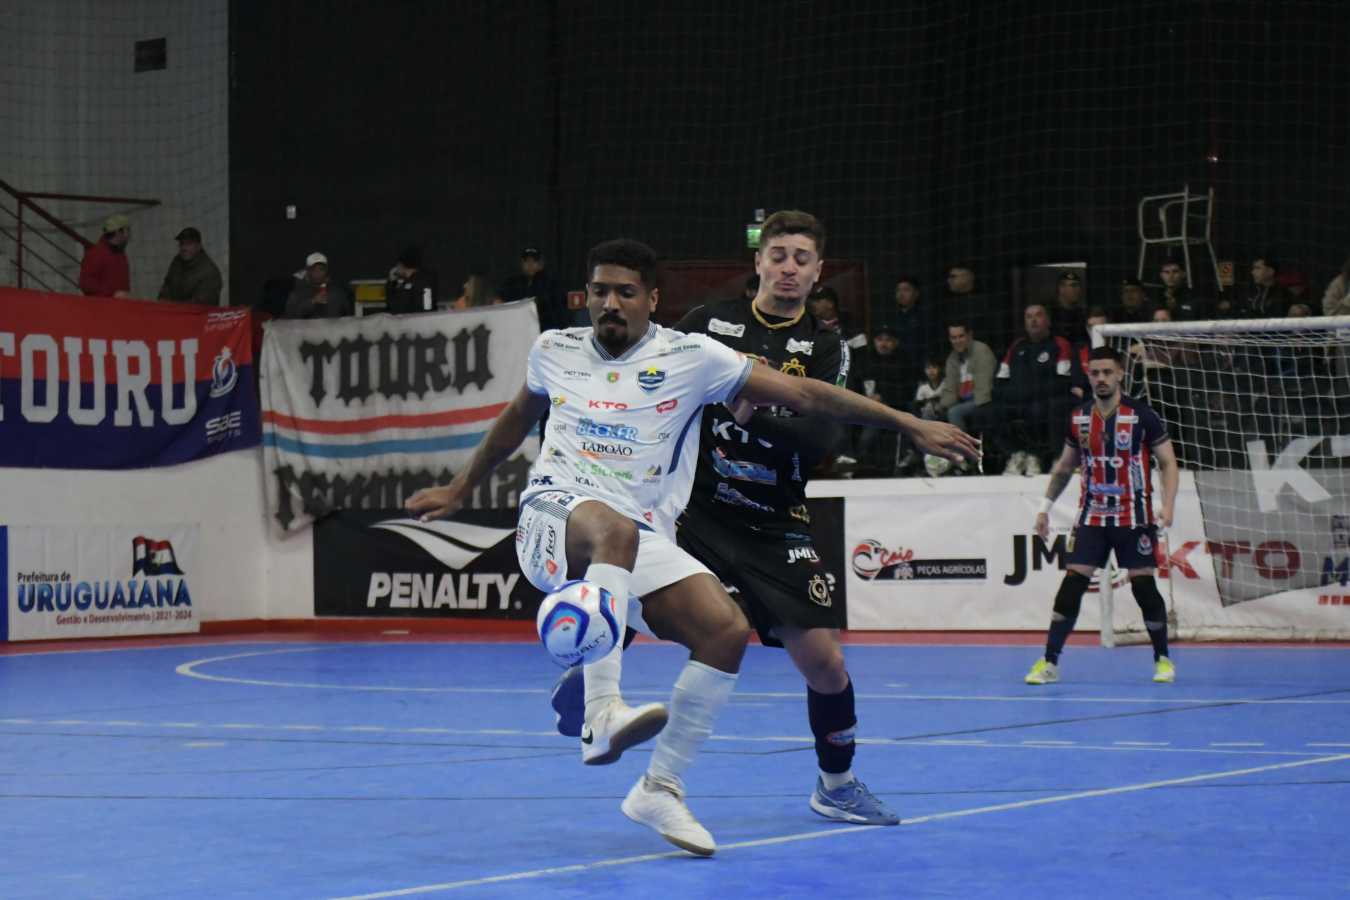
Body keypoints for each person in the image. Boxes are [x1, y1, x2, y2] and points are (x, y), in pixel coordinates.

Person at [406, 237, 977, 855]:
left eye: (626, 292)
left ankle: (659, 787)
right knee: (615, 532)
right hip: (552, 515)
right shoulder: (554, 349)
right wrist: (460, 489)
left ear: (653, 300)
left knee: (725, 630)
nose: (610, 303)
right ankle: (601, 710)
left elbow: (809, 396)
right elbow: (518, 417)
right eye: (600, 291)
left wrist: (909, 423)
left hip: (646, 534)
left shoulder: (693, 357)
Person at [1024, 345, 1180, 686]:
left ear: (1120, 374)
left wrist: (1168, 505)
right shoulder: (1078, 417)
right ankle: (1049, 661)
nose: (1101, 379)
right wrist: (1044, 509)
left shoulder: (1142, 415)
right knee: (1072, 584)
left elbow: (1168, 462)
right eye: (1095, 373)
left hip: (1134, 517)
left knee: (1143, 586)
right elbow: (1064, 468)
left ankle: (1163, 658)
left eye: (1107, 372)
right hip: (1092, 518)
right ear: (1088, 375)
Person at [939, 321, 997, 448]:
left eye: (961, 336)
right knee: (929, 412)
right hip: (962, 402)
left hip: (983, 401)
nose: (957, 341)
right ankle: (931, 458)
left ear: (969, 335)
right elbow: (950, 390)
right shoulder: (952, 359)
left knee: (954, 412)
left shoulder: (981, 350)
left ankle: (964, 454)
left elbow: (984, 389)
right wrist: (939, 407)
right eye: (953, 338)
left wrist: (955, 404)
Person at [499, 246, 568, 329]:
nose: (530, 264)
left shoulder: (551, 283)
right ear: (521, 263)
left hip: (545, 329)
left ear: (541, 263)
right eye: (526, 261)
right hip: (518, 327)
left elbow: (557, 311)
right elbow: (500, 300)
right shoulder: (513, 283)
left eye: (534, 261)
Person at [157, 227, 223, 306]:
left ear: (198, 246)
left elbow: (200, 305)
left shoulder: (210, 272)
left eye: (189, 244)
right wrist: (162, 300)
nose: (184, 248)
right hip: (174, 311)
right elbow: (167, 285)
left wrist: (172, 306)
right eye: (182, 244)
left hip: (198, 313)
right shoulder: (177, 262)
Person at [78, 214, 132, 298]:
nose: (129, 234)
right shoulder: (96, 254)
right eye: (127, 230)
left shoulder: (120, 253)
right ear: (118, 232)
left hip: (119, 304)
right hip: (103, 305)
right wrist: (112, 294)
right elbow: (85, 283)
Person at [285, 252, 352, 318]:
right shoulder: (297, 292)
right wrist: (312, 301)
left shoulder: (336, 291)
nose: (318, 273)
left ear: (326, 270)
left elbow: (347, 312)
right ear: (308, 271)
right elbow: (290, 315)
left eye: (321, 269)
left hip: (332, 325)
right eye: (313, 269)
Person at [385, 244, 438, 314]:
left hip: (413, 319)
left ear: (401, 265)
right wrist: (392, 281)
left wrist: (391, 282)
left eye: (397, 264)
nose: (396, 267)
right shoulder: (423, 279)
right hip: (418, 319)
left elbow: (395, 306)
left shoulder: (415, 283)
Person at [1050, 271, 1086, 341]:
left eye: (1078, 286)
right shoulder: (1051, 313)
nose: (1077, 290)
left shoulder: (1081, 314)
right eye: (1073, 286)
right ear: (1061, 288)